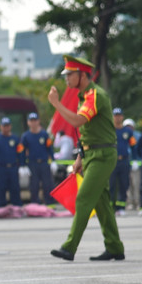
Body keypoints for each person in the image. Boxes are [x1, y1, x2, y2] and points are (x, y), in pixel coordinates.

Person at [48, 55, 124, 261]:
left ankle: (69, 248)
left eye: (70, 74)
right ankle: (115, 247)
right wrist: (81, 156)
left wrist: (56, 104)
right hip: (92, 154)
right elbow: (85, 130)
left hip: (102, 155)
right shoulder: (84, 96)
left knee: (83, 198)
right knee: (101, 203)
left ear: (82, 75)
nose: (66, 79)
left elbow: (77, 120)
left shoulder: (95, 95)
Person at [20, 112, 55, 205]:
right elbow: (22, 152)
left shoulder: (44, 134)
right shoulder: (25, 136)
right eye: (31, 121)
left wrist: (53, 161)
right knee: (34, 185)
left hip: (44, 162)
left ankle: (50, 204)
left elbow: (49, 149)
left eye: (35, 120)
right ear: (28, 122)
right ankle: (35, 204)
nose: (33, 123)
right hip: (32, 163)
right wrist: (23, 165)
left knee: (47, 184)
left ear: (38, 121)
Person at [0, 117, 24, 208]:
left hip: (13, 166)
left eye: (7, 126)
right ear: (0, 127)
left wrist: (22, 166)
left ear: (10, 126)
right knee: (1, 187)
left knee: (15, 187)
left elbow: (20, 152)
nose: (6, 128)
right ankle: (2, 206)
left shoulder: (15, 138)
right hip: (1, 167)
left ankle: (16, 207)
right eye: (4, 126)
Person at [109, 108, 136, 216]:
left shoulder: (128, 131)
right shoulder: (109, 130)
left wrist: (134, 160)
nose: (117, 117)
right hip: (112, 161)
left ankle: (121, 207)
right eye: (115, 115)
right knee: (111, 185)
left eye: (119, 115)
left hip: (124, 160)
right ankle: (111, 207)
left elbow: (133, 146)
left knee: (124, 184)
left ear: (122, 117)